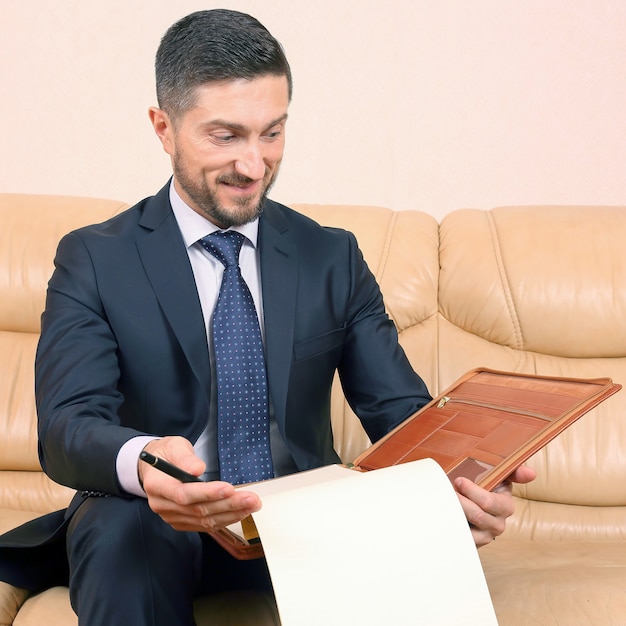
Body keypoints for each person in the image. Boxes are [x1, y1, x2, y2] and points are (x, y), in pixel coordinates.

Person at [0, 9, 535, 625]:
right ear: (163, 127)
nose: (254, 166)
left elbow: (400, 415)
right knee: (122, 524)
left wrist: (469, 479)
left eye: (272, 133)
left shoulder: (331, 256)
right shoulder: (95, 257)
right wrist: (147, 463)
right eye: (225, 136)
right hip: (159, 521)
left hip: (304, 520)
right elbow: (68, 426)